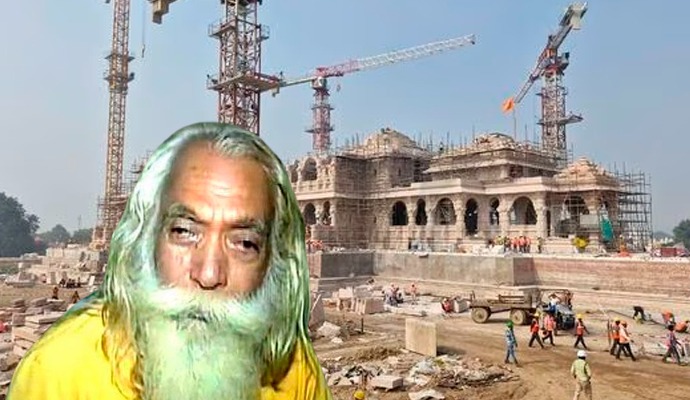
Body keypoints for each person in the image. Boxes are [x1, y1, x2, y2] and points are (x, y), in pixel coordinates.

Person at [7, 123, 332, 399]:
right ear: (145, 240)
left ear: (272, 265)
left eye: (245, 244)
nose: (209, 273)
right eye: (184, 232)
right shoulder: (58, 374)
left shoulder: (296, 377)